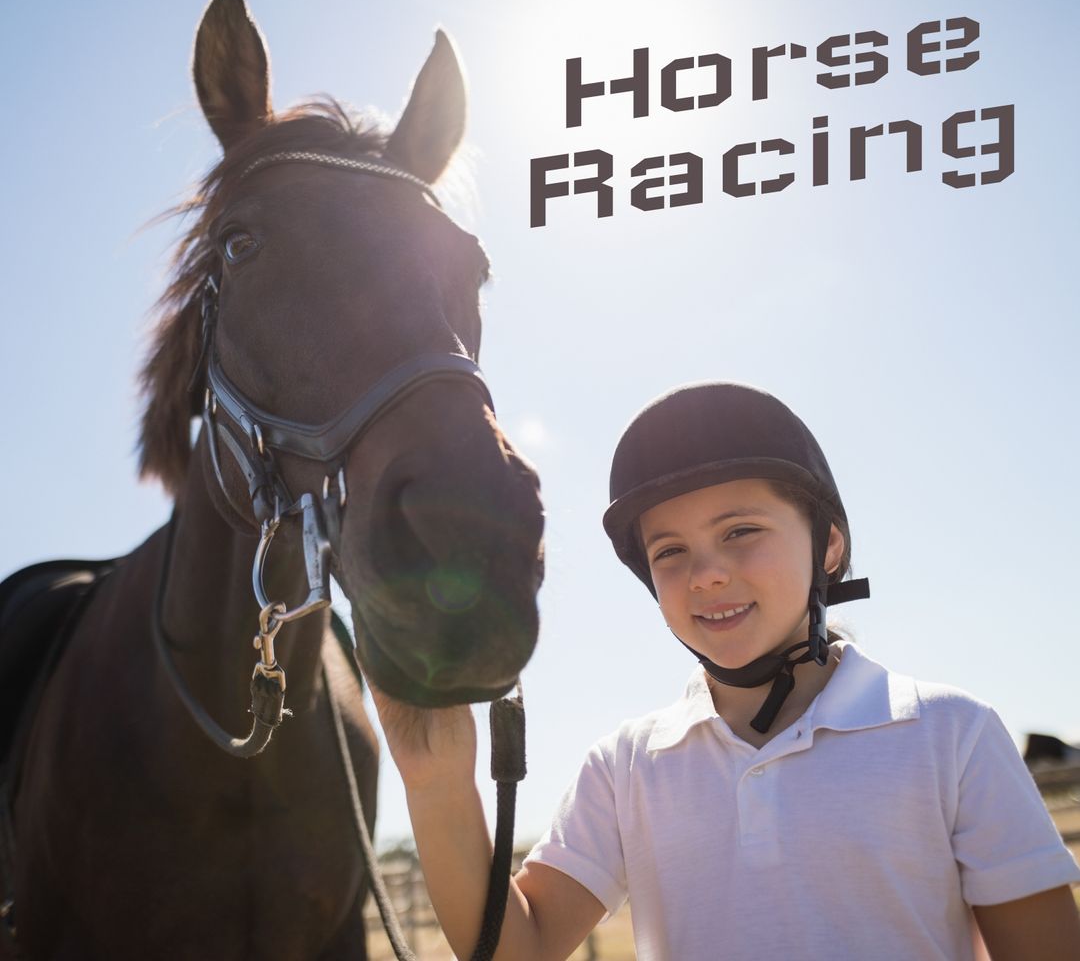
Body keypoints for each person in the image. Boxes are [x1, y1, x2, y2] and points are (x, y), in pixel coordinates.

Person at [368, 382, 1080, 960]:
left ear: (828, 545)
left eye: (741, 532)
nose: (706, 575)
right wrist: (436, 784)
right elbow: (513, 950)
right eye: (670, 552)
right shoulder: (626, 768)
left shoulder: (950, 736)